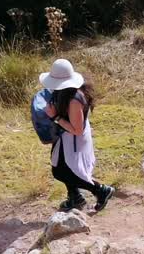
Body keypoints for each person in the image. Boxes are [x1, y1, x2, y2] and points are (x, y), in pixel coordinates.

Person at [40, 59, 115, 212]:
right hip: (65, 136)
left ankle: (101, 190)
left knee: (62, 171)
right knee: (62, 166)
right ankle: (75, 197)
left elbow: (77, 130)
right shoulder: (64, 92)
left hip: (74, 138)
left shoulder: (74, 99)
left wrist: (55, 117)